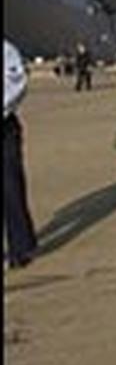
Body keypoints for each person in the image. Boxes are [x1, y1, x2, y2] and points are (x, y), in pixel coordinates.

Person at [4, 38, 38, 269]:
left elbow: (16, 82)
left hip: (3, 125)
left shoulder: (6, 49)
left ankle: (22, 246)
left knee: (10, 188)